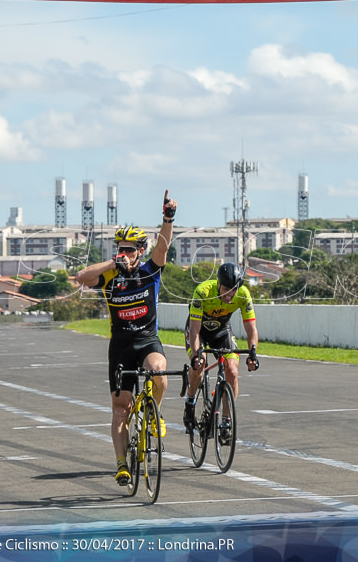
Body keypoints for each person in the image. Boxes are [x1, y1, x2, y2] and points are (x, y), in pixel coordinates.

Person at [75, 190, 177, 487]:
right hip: (120, 346)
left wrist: (168, 218)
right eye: (121, 249)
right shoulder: (109, 276)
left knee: (159, 373)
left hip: (146, 340)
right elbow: (82, 277)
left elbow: (163, 246)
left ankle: (154, 414)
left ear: (140, 251)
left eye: (130, 250)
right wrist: (112, 265)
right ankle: (121, 464)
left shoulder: (150, 271)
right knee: (121, 408)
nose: (125, 254)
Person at [183, 262, 260, 439]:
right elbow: (194, 330)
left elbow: (251, 329)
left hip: (222, 330)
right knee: (199, 365)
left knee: (232, 370)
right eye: (226, 288)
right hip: (199, 330)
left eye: (233, 289)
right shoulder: (202, 292)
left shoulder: (243, 294)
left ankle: (226, 420)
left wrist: (253, 353)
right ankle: (190, 402)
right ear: (218, 283)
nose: (229, 293)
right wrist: (196, 355)